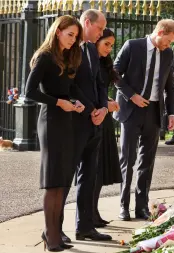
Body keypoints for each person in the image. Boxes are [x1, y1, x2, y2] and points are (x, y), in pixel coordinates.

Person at [25, 15, 88, 251]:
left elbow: (68, 89)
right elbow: (30, 91)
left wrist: (75, 101)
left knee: (62, 180)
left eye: (76, 37)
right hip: (50, 121)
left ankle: (53, 232)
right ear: (58, 31)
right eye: (70, 34)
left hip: (66, 121)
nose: (73, 40)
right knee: (53, 181)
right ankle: (51, 236)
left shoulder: (66, 57)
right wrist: (58, 102)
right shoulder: (44, 57)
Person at [113, 19, 174, 221]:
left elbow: (169, 85)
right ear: (160, 32)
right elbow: (114, 73)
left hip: (153, 111)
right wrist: (131, 95)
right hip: (131, 109)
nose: (169, 46)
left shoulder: (167, 54)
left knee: (147, 161)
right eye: (168, 41)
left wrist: (172, 113)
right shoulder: (132, 46)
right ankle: (123, 205)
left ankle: (141, 206)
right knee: (128, 159)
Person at [60, 9, 112, 242]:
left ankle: (85, 227)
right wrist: (92, 109)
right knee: (64, 177)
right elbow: (72, 85)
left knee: (89, 176)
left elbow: (99, 82)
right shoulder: (71, 47)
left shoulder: (91, 48)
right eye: (99, 28)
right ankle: (54, 227)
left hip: (96, 122)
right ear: (87, 22)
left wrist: (103, 108)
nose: (101, 33)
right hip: (77, 121)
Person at [92, 28, 122, 228]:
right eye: (106, 44)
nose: (109, 49)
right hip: (94, 118)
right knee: (92, 171)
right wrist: (104, 105)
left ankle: (93, 212)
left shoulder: (103, 62)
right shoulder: (89, 62)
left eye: (111, 45)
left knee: (100, 170)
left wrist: (107, 101)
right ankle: (87, 214)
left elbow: (100, 90)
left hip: (105, 118)